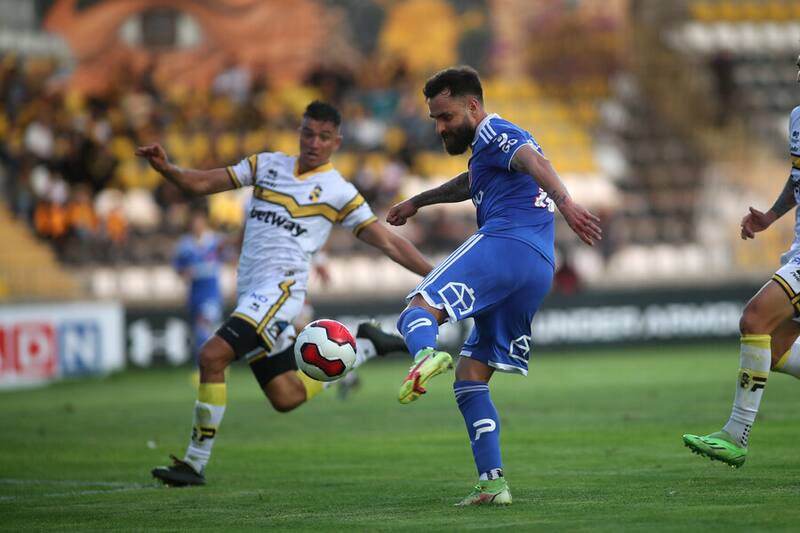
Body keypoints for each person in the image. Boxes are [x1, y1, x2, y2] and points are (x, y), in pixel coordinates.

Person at [136, 100, 432, 486]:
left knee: (212, 356)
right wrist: (167, 168)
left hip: (281, 290)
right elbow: (202, 183)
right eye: (308, 133)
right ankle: (366, 343)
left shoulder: (338, 191)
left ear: (336, 142)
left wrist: (438, 275)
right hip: (250, 294)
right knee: (286, 396)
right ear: (299, 132)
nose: (313, 142)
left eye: (323, 137)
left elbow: (390, 244)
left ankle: (194, 463)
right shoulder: (267, 165)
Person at [386, 66, 601, 506]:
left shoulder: (496, 130)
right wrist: (418, 202)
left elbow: (531, 159)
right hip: (537, 265)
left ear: (472, 105)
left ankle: (425, 354)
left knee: (417, 309)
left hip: (507, 243)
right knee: (470, 376)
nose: (440, 127)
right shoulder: (485, 150)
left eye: (445, 117)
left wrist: (569, 205)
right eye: (435, 120)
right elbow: (472, 182)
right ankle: (492, 483)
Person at [682, 55, 800, 468]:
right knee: (780, 340)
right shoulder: (798, 118)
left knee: (755, 319)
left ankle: (736, 435)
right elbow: (797, 176)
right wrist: (770, 215)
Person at [173, 205, 227, 379]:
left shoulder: (215, 241)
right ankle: (212, 366)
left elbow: (231, 258)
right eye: (194, 221)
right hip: (195, 294)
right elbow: (178, 268)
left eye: (200, 221)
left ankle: (205, 369)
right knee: (200, 332)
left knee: (206, 331)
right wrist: (185, 273)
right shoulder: (184, 245)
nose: (197, 225)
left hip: (212, 294)